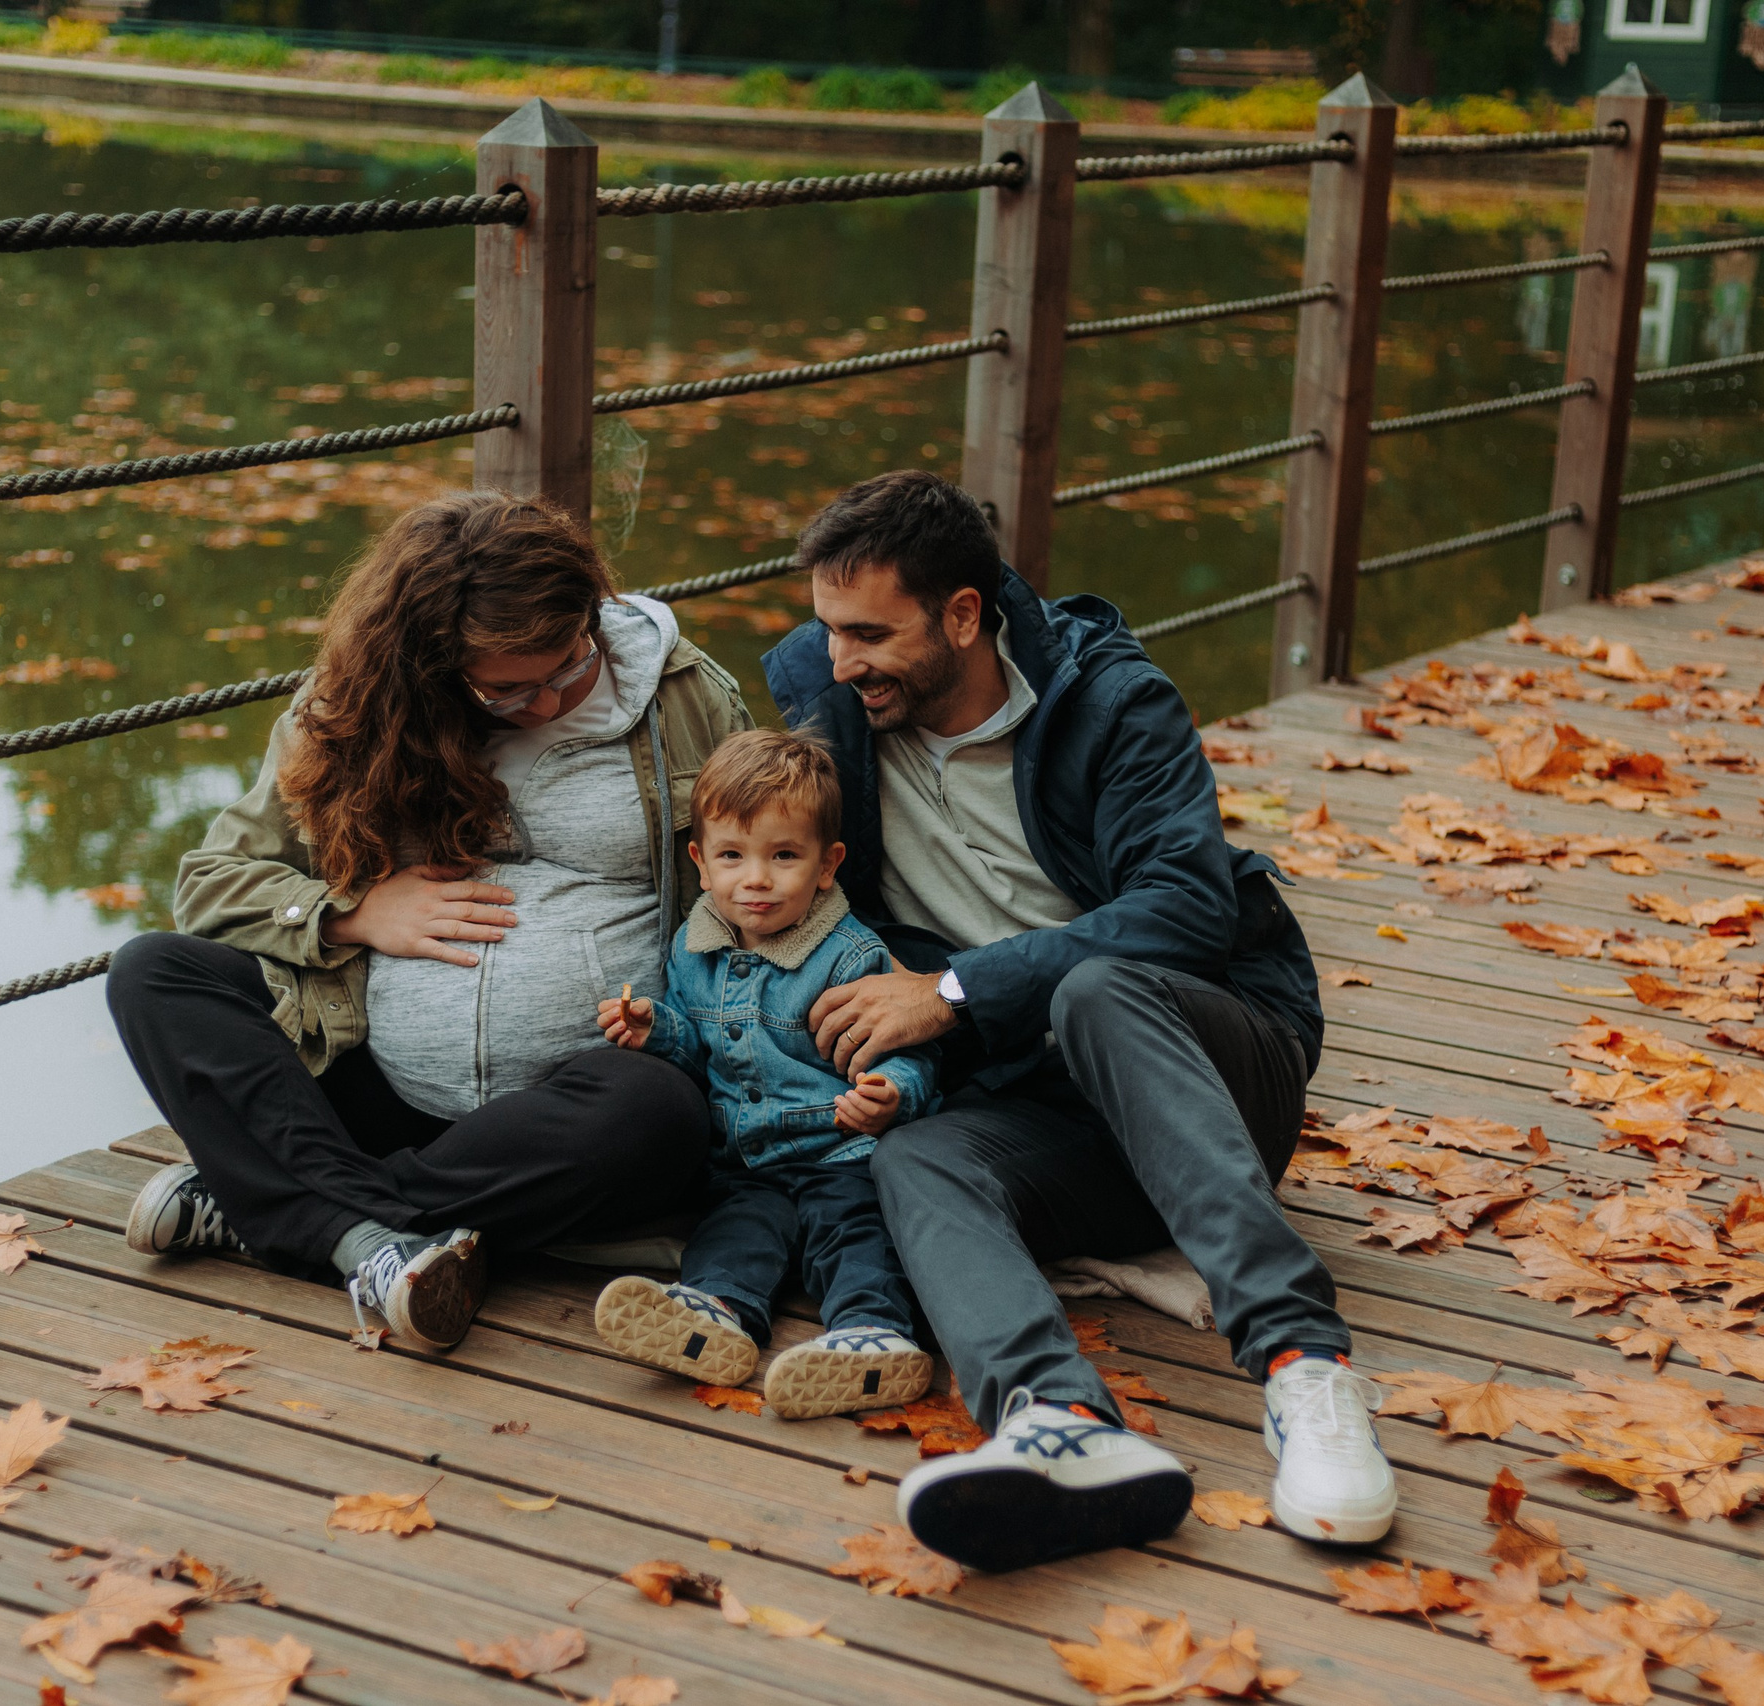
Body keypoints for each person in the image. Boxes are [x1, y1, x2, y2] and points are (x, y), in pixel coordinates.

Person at [760, 470, 1398, 1573]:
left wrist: (951, 992)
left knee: (1093, 984)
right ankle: (1056, 1424)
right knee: (920, 1158)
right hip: (1041, 1099)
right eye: (825, 629)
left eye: (869, 633)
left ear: (964, 614)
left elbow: (1188, 906)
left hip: (1217, 1057)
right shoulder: (831, 707)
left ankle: (1305, 1365)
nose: (837, 659)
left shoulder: (1110, 700)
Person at [106, 490, 750, 1352]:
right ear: (433, 667)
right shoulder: (353, 713)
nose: (552, 701)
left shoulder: (684, 695)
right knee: (153, 971)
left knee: (659, 1114)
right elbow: (211, 883)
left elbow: (775, 851)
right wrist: (352, 915)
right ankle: (372, 1228)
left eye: (569, 663)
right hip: (374, 1075)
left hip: (577, 1109)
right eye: (510, 691)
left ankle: (291, 1210)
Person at [589, 729, 939, 1419]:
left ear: (827, 863)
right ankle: (716, 1315)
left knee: (858, 1239)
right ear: (701, 861)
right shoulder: (694, 948)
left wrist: (891, 1093)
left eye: (783, 856)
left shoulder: (850, 956)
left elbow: (909, 1050)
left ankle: (872, 1336)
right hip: (748, 1160)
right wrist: (655, 1031)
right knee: (733, 1235)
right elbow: (700, 1050)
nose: (755, 878)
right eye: (732, 856)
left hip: (843, 1153)